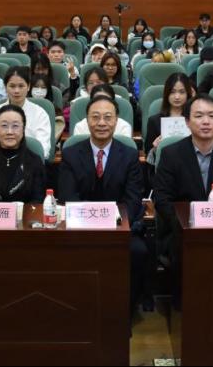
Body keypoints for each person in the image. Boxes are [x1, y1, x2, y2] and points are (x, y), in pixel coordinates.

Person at [57, 94, 149, 313]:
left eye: (108, 117)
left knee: (138, 251)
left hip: (119, 228)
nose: (101, 123)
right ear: (86, 120)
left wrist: (113, 223)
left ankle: (124, 311)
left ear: (116, 121)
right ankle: (77, 309)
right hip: (80, 228)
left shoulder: (129, 155)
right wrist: (90, 223)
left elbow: (133, 199)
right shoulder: (70, 153)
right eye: (95, 117)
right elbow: (68, 196)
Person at [153, 95, 213, 286]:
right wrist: (188, 223)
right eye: (199, 116)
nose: (206, 121)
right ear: (187, 122)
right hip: (182, 231)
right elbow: (162, 199)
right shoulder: (171, 154)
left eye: (212, 116)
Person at [0, 67, 52, 160]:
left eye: (21, 86)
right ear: (5, 87)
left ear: (28, 86)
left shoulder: (40, 113)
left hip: (30, 161)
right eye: (12, 86)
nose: (16, 91)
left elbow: (43, 148)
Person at [144, 73, 196, 156]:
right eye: (172, 92)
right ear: (167, 93)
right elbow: (147, 153)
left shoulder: (195, 119)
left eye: (182, 92)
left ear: (188, 94)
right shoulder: (154, 121)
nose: (177, 97)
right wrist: (154, 148)